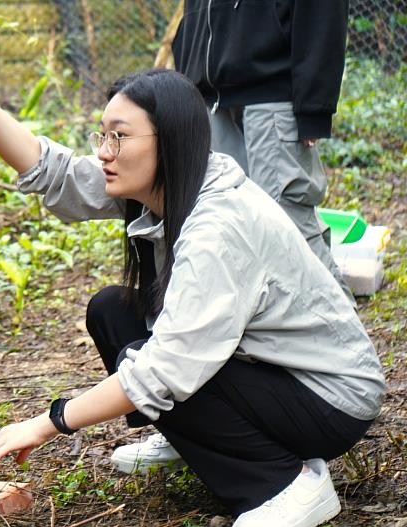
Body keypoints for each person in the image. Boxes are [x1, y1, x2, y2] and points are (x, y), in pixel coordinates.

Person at [0, 69, 384, 527]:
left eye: (120, 137)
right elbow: (56, 173)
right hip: (266, 369)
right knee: (111, 311)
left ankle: (287, 484)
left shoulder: (218, 226)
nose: (105, 151)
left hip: (328, 399)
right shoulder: (166, 183)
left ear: (167, 140)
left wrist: (49, 422)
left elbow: (167, 368)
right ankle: (197, 438)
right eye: (102, 136)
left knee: (152, 365)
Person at [118, 0, 356, 474]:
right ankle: (193, 418)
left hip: (275, 99)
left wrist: (312, 106)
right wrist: (186, 99)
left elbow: (322, 13)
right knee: (200, 233)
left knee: (290, 231)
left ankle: (328, 384)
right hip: (211, 99)